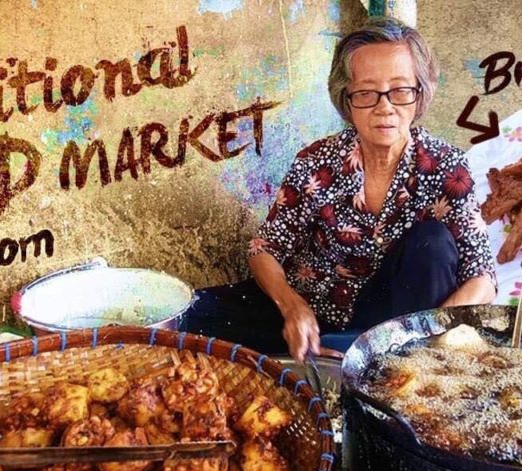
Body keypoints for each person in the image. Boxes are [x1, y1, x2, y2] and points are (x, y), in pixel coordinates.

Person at [184, 17, 496, 362]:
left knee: (433, 243)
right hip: (315, 308)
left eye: (400, 90)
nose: (385, 107)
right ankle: (329, 349)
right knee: (186, 320)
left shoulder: (447, 167)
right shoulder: (318, 162)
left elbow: (482, 277)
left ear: (420, 93)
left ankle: (382, 356)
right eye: (366, 93)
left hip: (398, 321)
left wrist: (433, 336)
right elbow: (265, 248)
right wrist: (292, 306)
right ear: (346, 99)